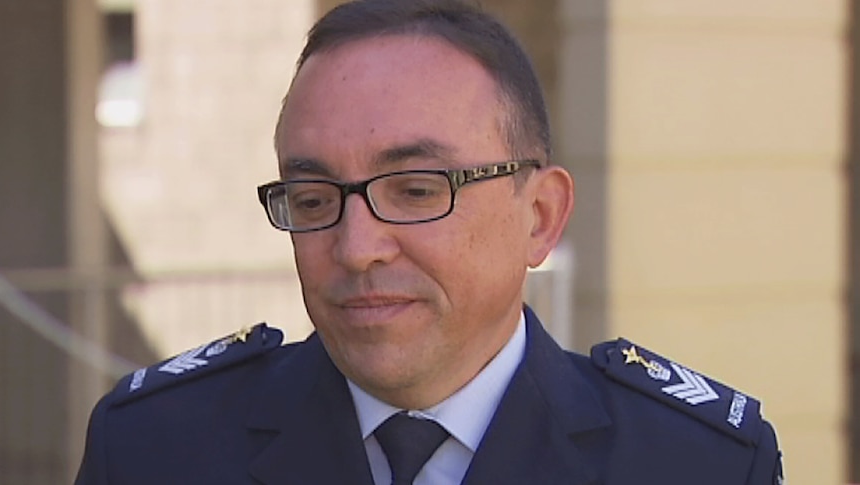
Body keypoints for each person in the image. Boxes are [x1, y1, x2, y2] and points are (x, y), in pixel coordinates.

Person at [75, 0, 784, 484]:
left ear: (539, 215)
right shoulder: (154, 449)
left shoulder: (695, 461)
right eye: (316, 198)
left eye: (415, 190)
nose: (356, 249)